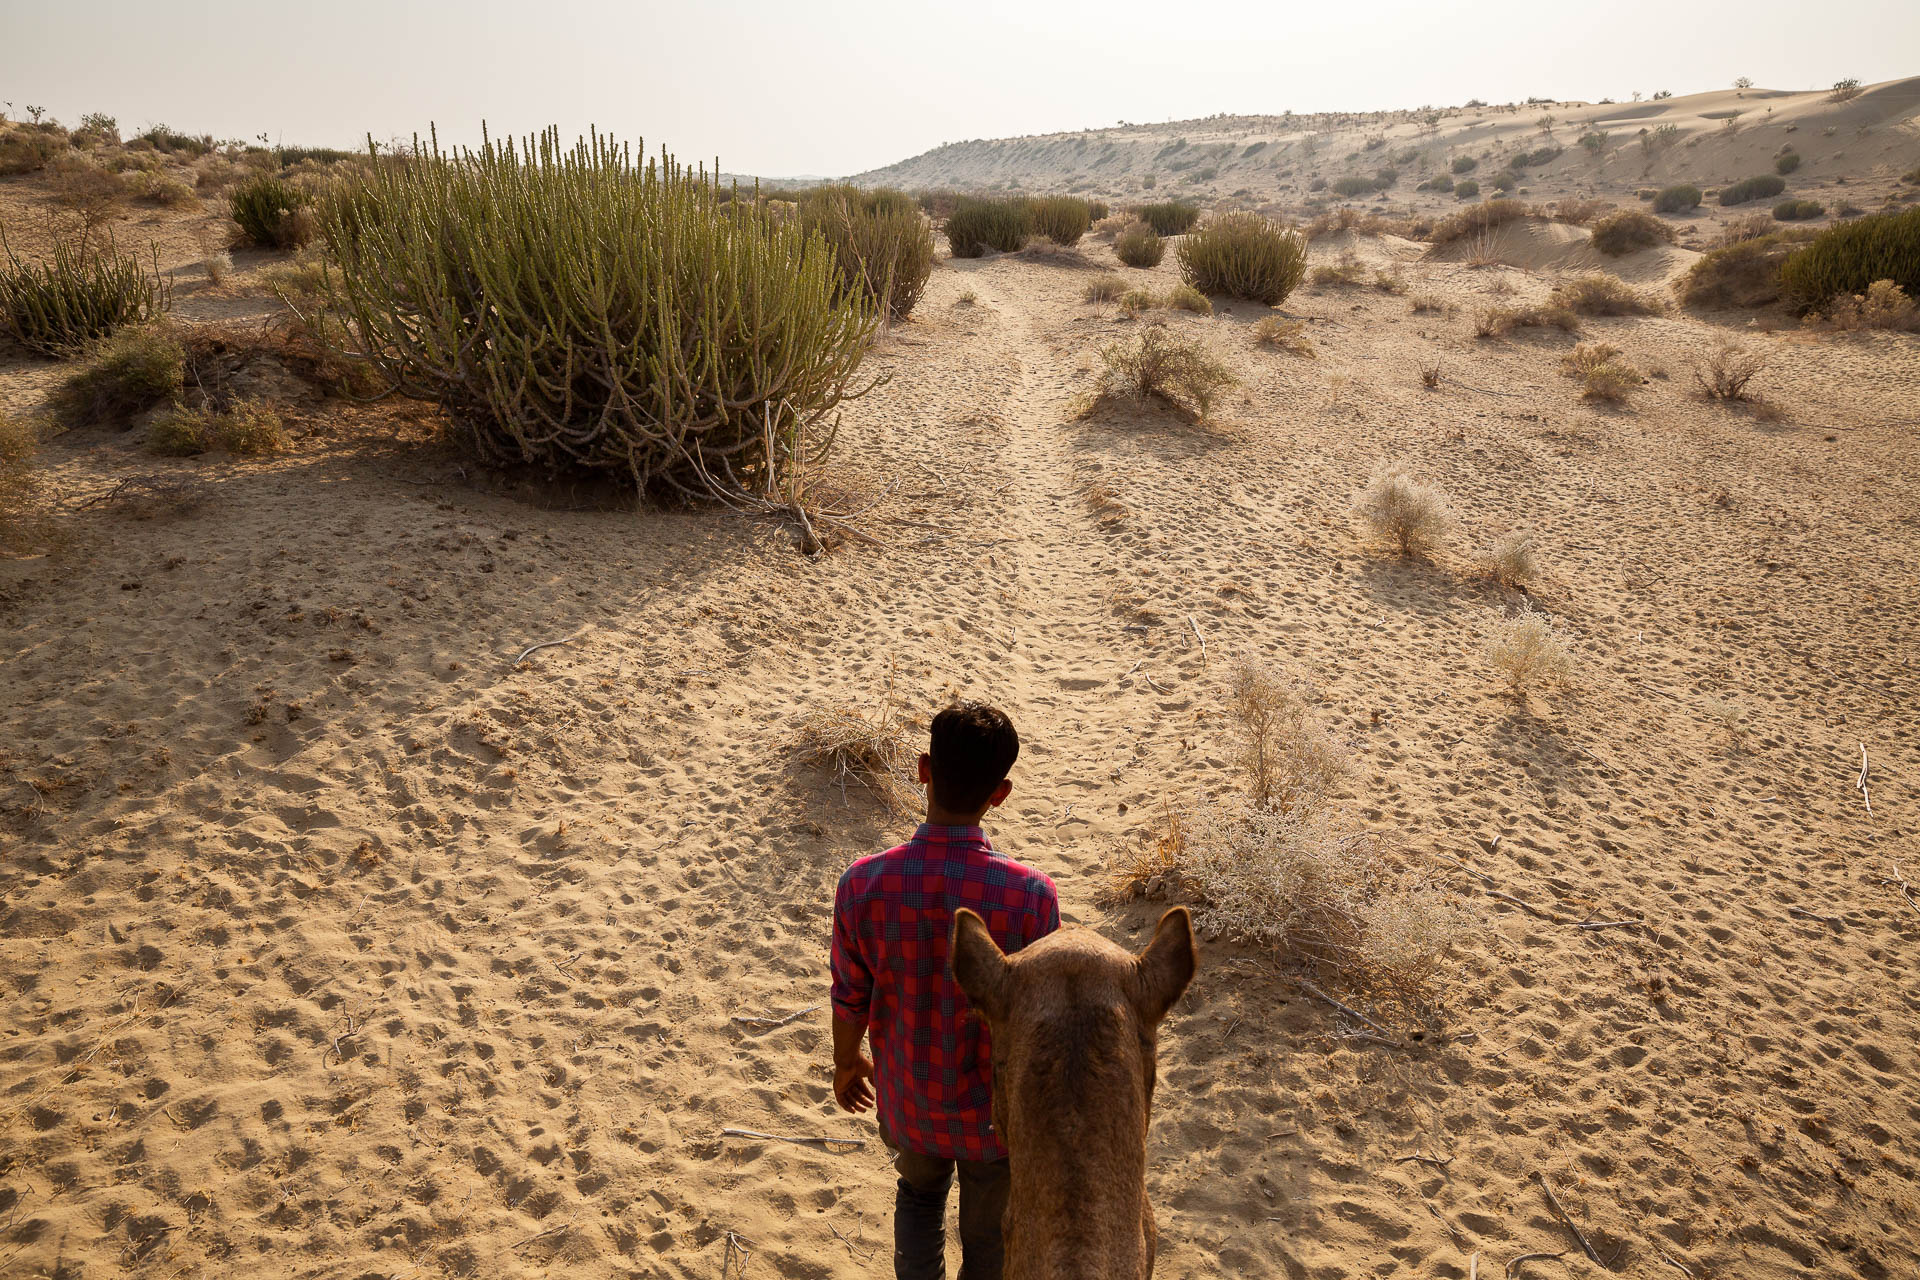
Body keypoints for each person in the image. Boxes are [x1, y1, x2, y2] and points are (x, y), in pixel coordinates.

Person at [828, 701, 1059, 1280]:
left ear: (923, 769)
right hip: (996, 1117)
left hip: (909, 1099)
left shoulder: (863, 883)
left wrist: (845, 1063)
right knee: (989, 1233)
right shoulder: (1031, 895)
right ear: (1001, 793)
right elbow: (1043, 1018)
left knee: (918, 1198)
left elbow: (849, 994)